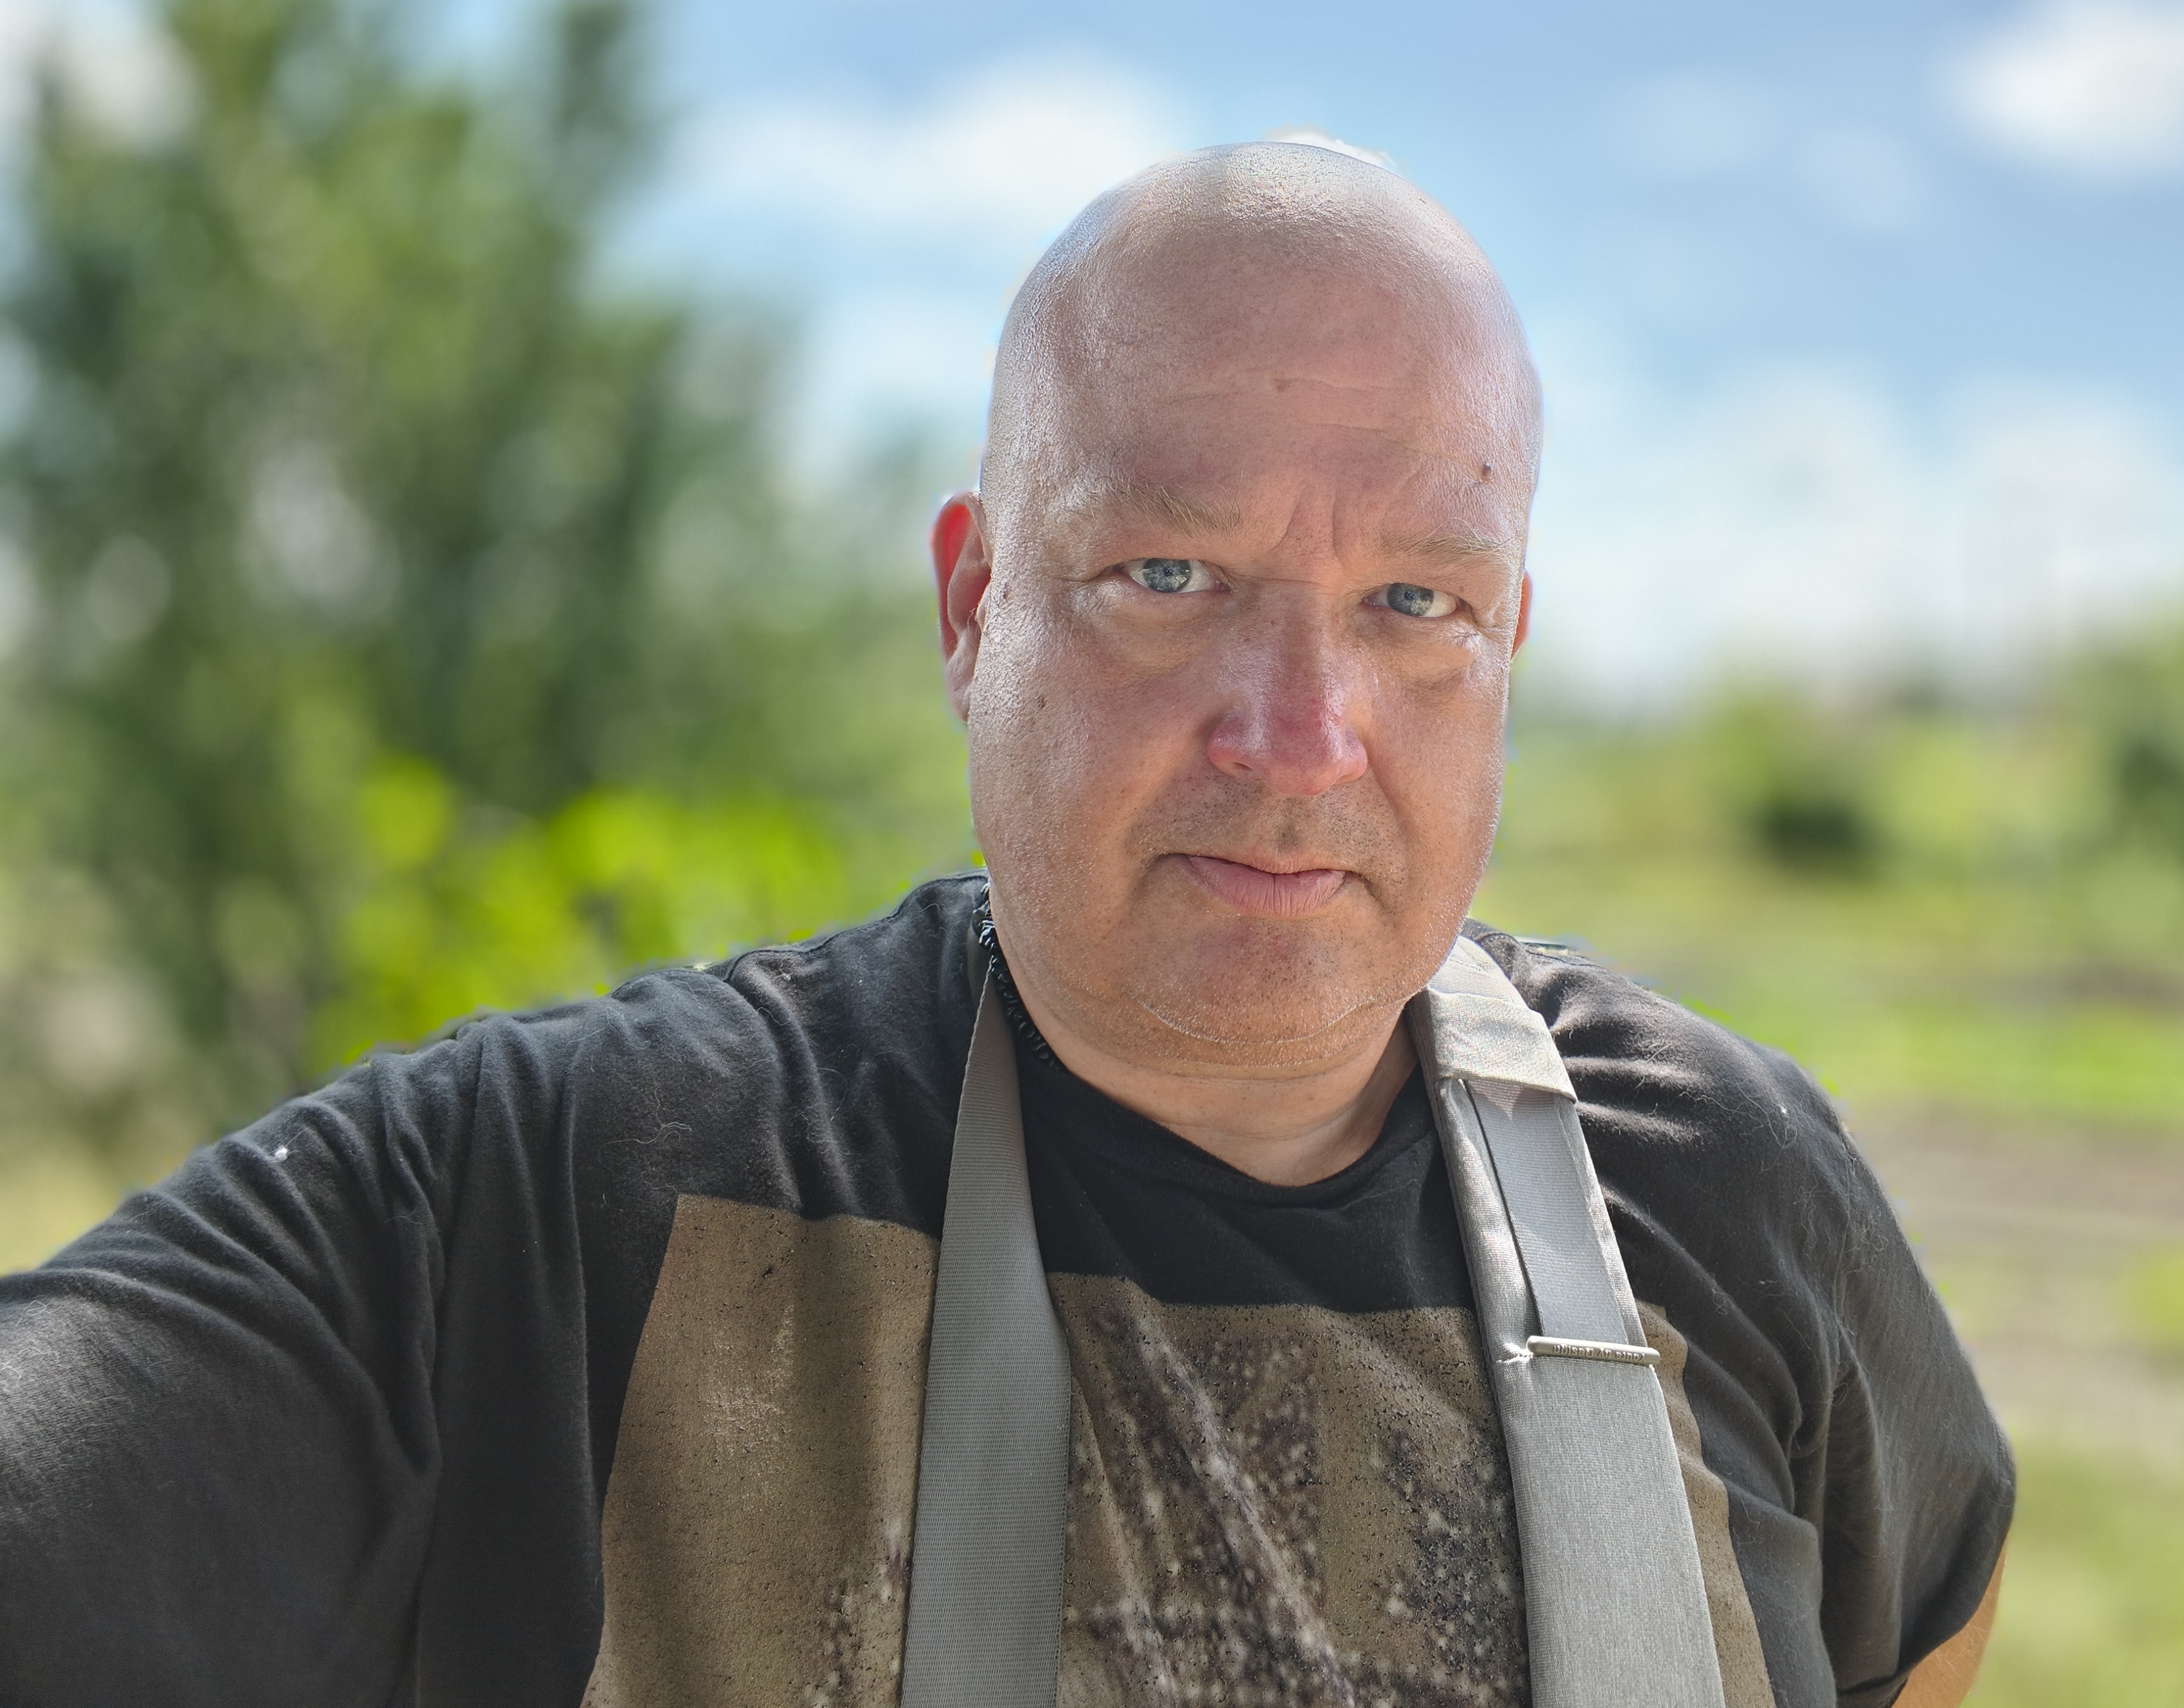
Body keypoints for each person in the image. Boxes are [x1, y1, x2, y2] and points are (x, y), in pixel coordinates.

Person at [0, 141, 2010, 1707]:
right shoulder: (557, 1208)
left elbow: (1927, 1636)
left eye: (1418, 604)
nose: (1299, 737)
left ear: (1511, 645)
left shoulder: (1729, 1192)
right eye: (1169, 576)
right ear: (974, 611)